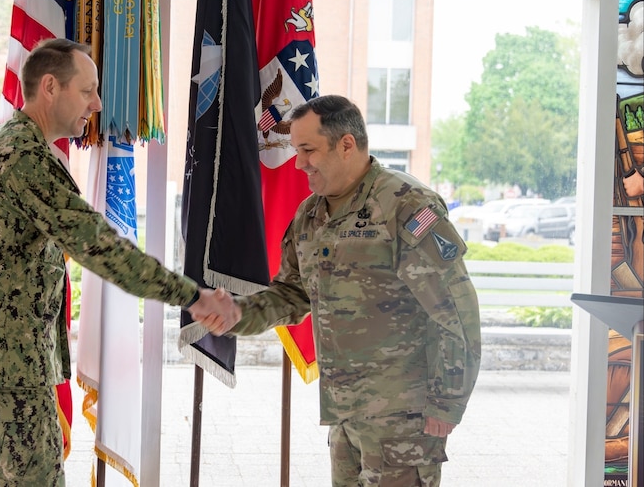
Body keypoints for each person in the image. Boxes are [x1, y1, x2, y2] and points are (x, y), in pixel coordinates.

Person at [0, 38, 225, 486]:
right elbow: (99, 246)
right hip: (8, 364)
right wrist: (191, 295)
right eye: (88, 90)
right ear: (51, 87)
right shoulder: (21, 157)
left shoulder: (8, 143)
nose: (96, 104)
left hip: (3, 359)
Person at [191, 94, 481, 487]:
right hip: (344, 415)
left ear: (346, 144)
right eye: (296, 150)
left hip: (402, 420)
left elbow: (456, 311)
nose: (299, 163)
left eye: (308, 150)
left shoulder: (406, 206)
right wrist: (238, 314)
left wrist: (448, 402)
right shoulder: (311, 213)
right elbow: (291, 294)